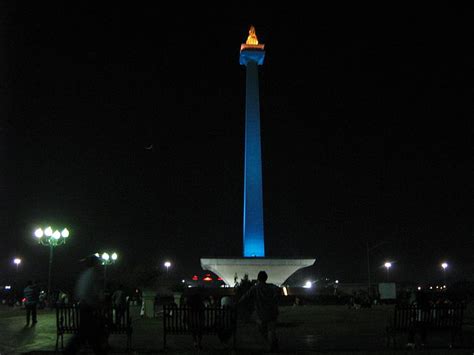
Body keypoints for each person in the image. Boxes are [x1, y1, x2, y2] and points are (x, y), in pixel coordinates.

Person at [64, 254, 108, 354]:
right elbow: (98, 293)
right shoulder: (94, 274)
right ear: (95, 263)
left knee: (88, 333)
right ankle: (68, 351)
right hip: (89, 307)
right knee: (85, 334)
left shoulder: (84, 274)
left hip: (84, 306)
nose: (101, 264)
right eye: (99, 262)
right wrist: (102, 302)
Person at [238, 271, 280, 351]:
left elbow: (245, 297)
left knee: (262, 329)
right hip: (272, 312)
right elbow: (278, 291)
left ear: (258, 278)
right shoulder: (271, 287)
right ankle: (273, 344)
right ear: (266, 278)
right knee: (271, 329)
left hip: (261, 313)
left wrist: (238, 302)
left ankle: (271, 344)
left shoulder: (255, 288)